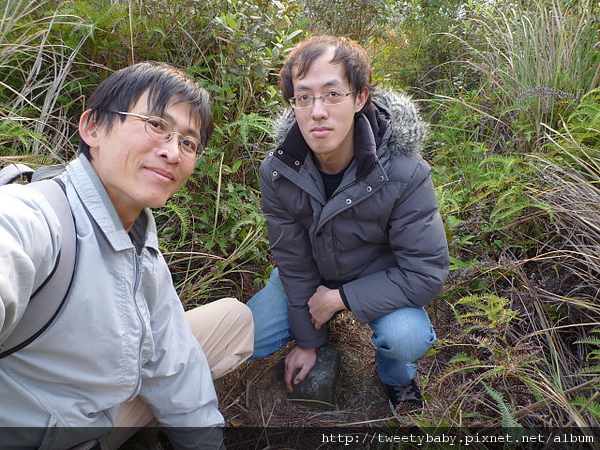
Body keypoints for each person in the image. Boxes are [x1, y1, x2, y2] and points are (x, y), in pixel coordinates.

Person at [0, 61, 254, 449]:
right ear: (93, 128)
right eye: (156, 124)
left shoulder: (141, 245)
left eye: (188, 142)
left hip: (89, 418)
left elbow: (175, 364)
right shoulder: (34, 217)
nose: (172, 152)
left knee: (234, 318)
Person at [247, 35, 449, 412]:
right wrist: (309, 341)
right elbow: (293, 260)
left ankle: (396, 378)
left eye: (332, 94)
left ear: (360, 98)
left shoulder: (406, 172)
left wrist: (340, 299)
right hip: (314, 273)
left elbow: (425, 272)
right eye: (303, 97)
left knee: (406, 337)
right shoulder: (278, 172)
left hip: (378, 276)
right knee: (249, 338)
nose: (317, 111)